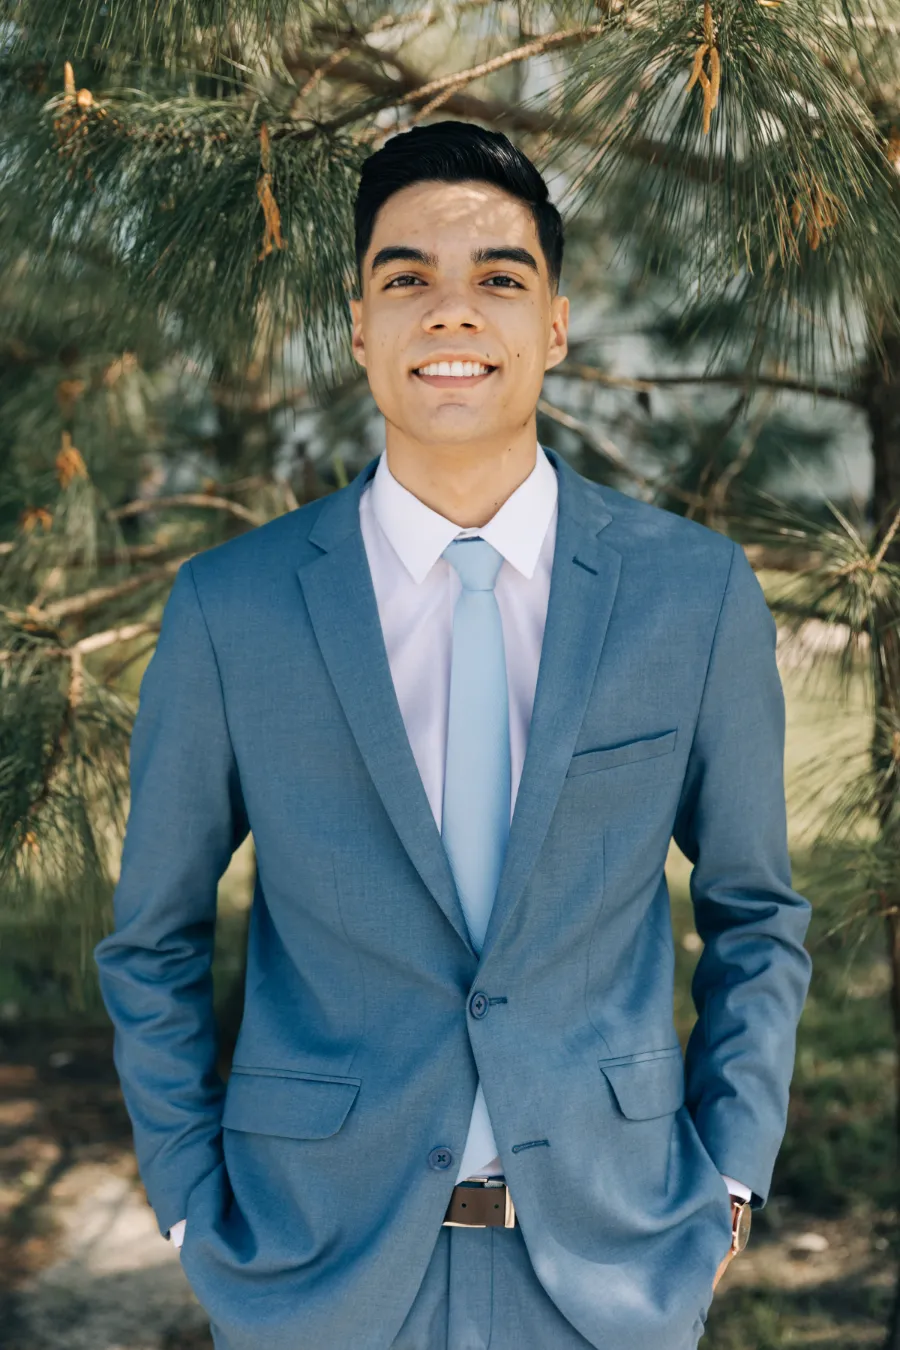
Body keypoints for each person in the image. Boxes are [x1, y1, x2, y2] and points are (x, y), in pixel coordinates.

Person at [95, 120, 813, 1350]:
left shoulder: (693, 594)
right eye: (406, 277)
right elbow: (152, 939)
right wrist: (189, 1210)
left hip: (612, 1271)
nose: (452, 310)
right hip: (316, 1272)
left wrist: (730, 1181)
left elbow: (757, 915)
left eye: (499, 277)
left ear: (556, 326)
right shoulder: (232, 608)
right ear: (358, 325)